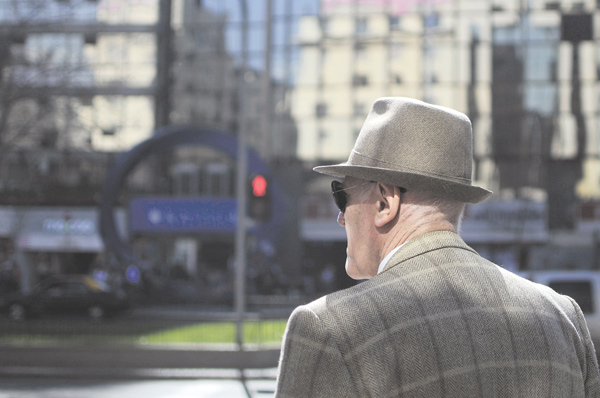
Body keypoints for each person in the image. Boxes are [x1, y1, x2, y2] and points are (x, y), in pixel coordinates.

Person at [275, 97, 600, 397]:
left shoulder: (328, 330)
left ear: (385, 202)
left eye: (342, 197)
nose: (340, 218)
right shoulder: (563, 317)